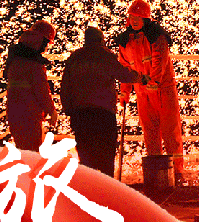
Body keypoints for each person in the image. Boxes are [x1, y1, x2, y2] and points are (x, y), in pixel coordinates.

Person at [115, 0, 185, 183]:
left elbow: (160, 61)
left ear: (145, 19)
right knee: (150, 133)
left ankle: (177, 173)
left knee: (170, 132)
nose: (134, 20)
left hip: (163, 91)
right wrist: (124, 92)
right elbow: (124, 69)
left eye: (138, 17)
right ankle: (155, 172)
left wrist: (154, 82)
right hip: (143, 93)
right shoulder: (125, 41)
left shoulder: (156, 36)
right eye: (132, 16)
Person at [61, 26, 147, 178]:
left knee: (86, 153)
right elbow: (124, 74)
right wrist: (141, 77)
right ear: (101, 40)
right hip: (103, 112)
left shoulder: (74, 58)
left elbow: (65, 86)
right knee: (106, 153)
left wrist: (68, 108)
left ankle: (90, 185)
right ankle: (106, 185)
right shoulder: (105, 56)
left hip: (80, 113)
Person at [5, 20, 57, 152]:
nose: (46, 48)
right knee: (32, 152)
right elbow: (41, 90)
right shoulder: (34, 64)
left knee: (22, 150)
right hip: (29, 115)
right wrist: (51, 110)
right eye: (47, 44)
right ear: (41, 41)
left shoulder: (15, 59)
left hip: (14, 112)